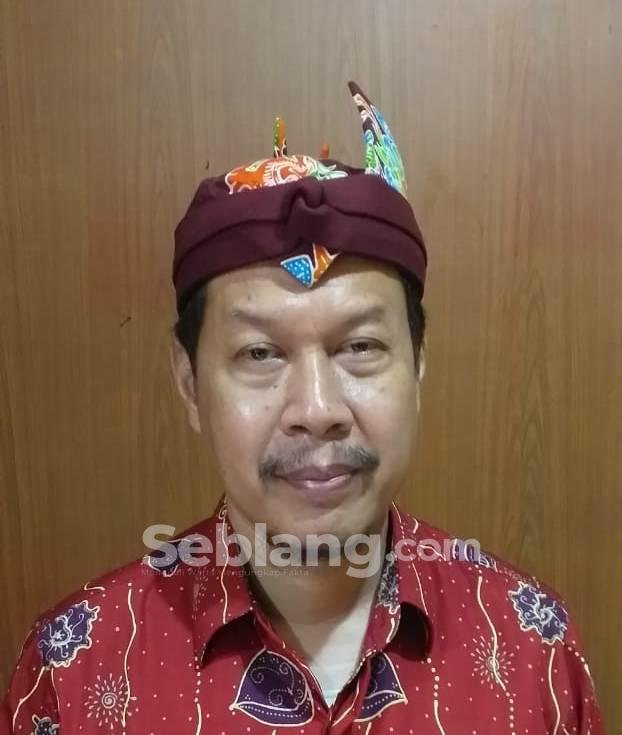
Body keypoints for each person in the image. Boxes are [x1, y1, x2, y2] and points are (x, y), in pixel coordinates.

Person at [1, 82, 604, 734]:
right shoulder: (75, 670)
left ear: (419, 365)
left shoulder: (531, 648)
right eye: (260, 353)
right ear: (189, 383)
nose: (316, 410)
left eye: (361, 346)